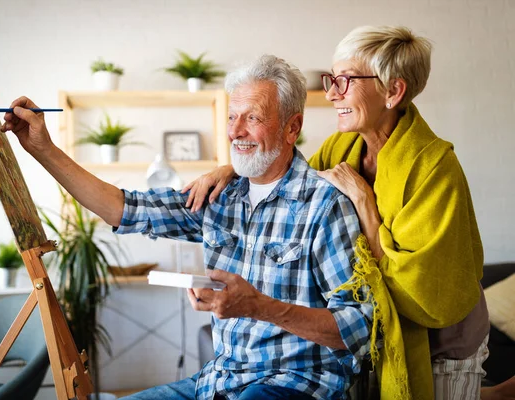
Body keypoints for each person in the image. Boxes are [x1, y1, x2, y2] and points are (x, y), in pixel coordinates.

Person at [2, 55, 374, 400]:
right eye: (232, 117)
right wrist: (42, 149)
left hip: (296, 384)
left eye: (253, 118)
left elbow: (358, 326)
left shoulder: (325, 205)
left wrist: (260, 307)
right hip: (221, 379)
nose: (236, 132)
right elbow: (121, 208)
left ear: (292, 127)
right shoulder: (219, 195)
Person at [182, 26, 493, 400]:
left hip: (441, 339)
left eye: (344, 81)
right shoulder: (340, 147)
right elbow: (287, 178)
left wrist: (365, 203)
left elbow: (425, 292)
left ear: (393, 92)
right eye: (332, 80)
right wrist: (231, 167)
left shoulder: (435, 167)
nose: (331, 94)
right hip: (375, 336)